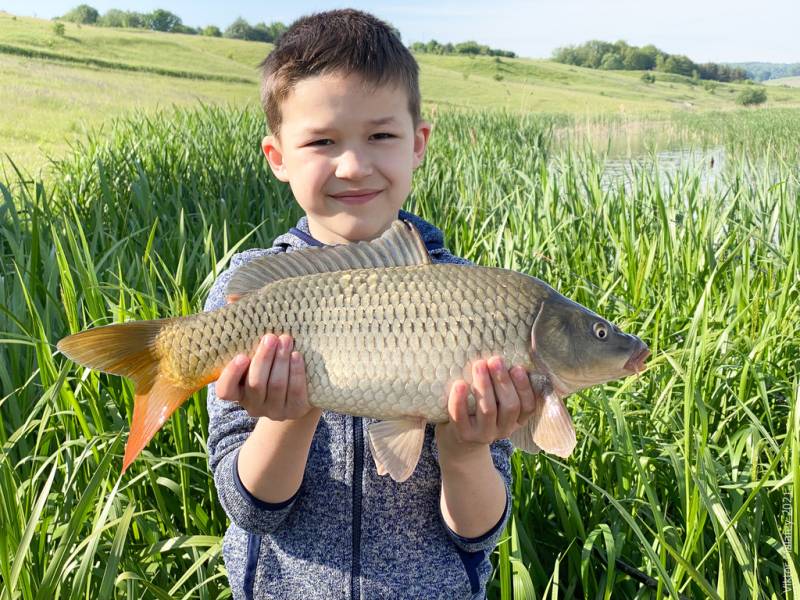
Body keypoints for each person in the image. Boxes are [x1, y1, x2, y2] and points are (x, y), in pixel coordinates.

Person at [204, 9, 540, 599]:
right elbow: (249, 510)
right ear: (277, 156)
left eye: (381, 136)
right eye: (322, 141)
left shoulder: (477, 300)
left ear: (419, 143)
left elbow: (479, 534)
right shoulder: (250, 292)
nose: (354, 165)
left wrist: (464, 453)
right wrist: (292, 416)